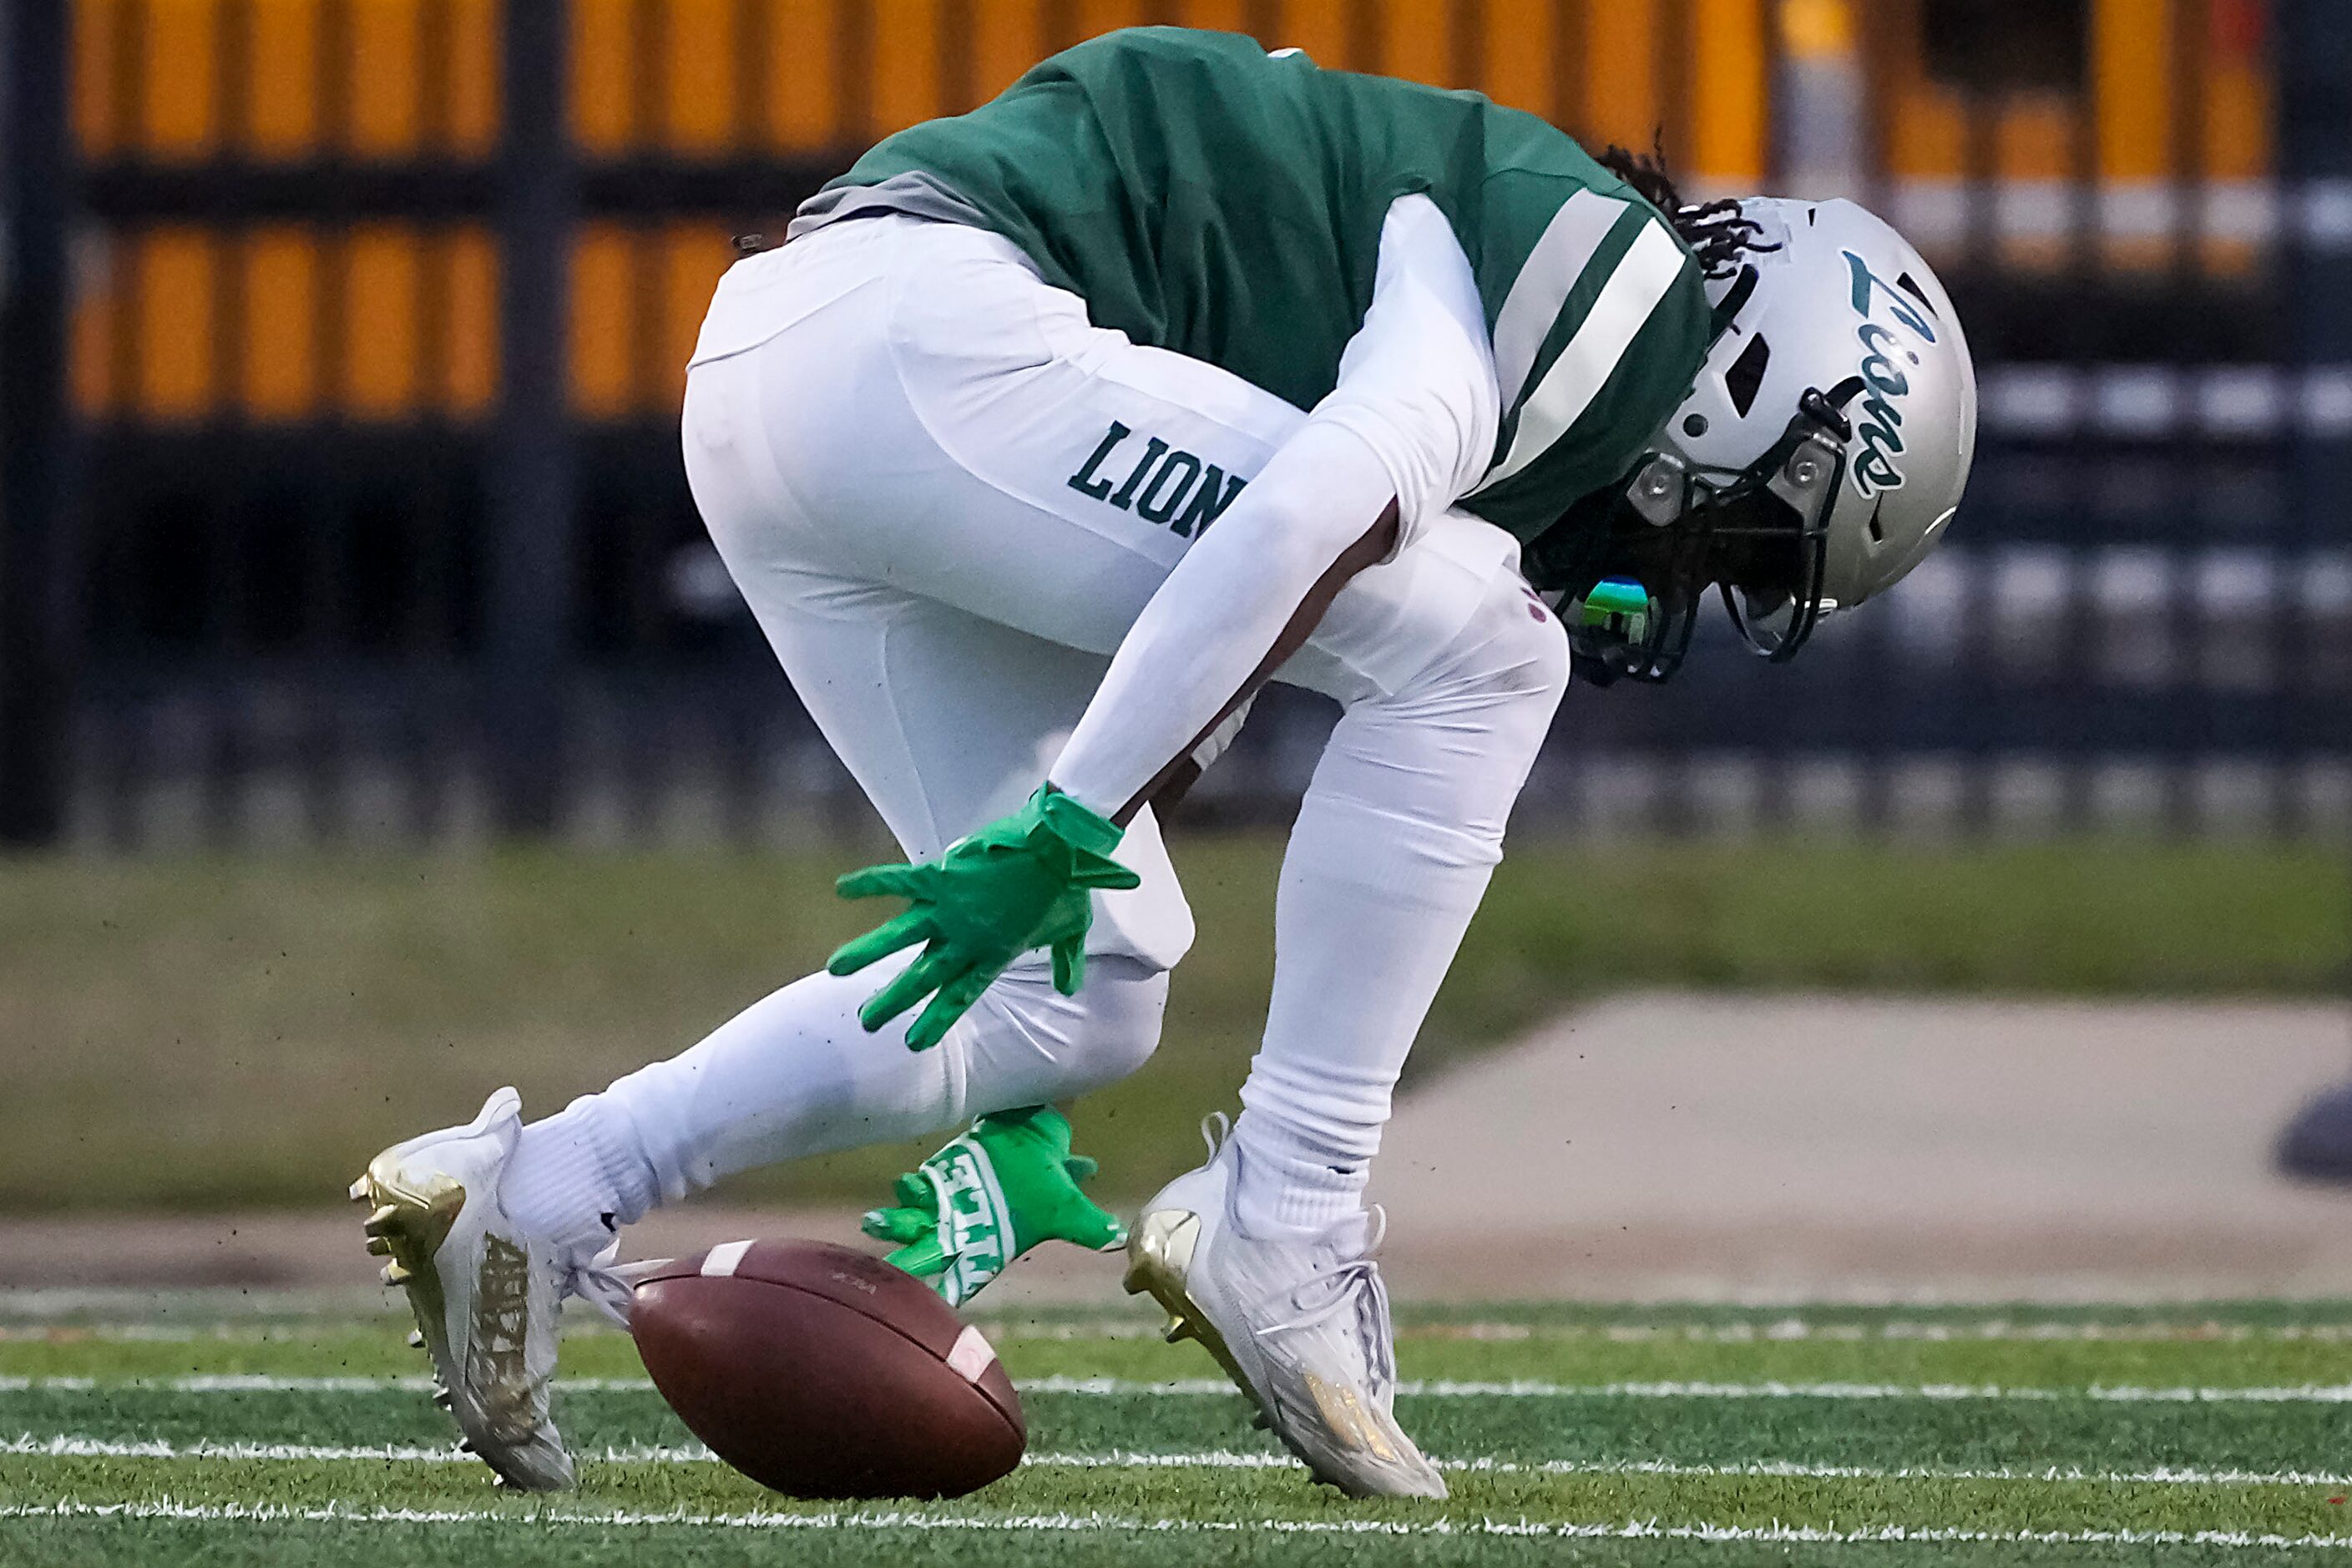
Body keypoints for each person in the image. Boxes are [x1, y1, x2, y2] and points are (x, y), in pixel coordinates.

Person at [352, 26, 1976, 1500]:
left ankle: (548, 1186)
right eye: (1743, 541)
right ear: (1749, 383)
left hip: (789, 370)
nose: (1682, 580)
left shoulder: (1511, 239)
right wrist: (1068, 820)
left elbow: (1229, 605)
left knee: (1087, 983)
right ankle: (1289, 1218)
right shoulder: (1617, 299)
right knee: (1490, 650)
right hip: (926, 355)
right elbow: (1301, 516)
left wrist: (1038, 1029)